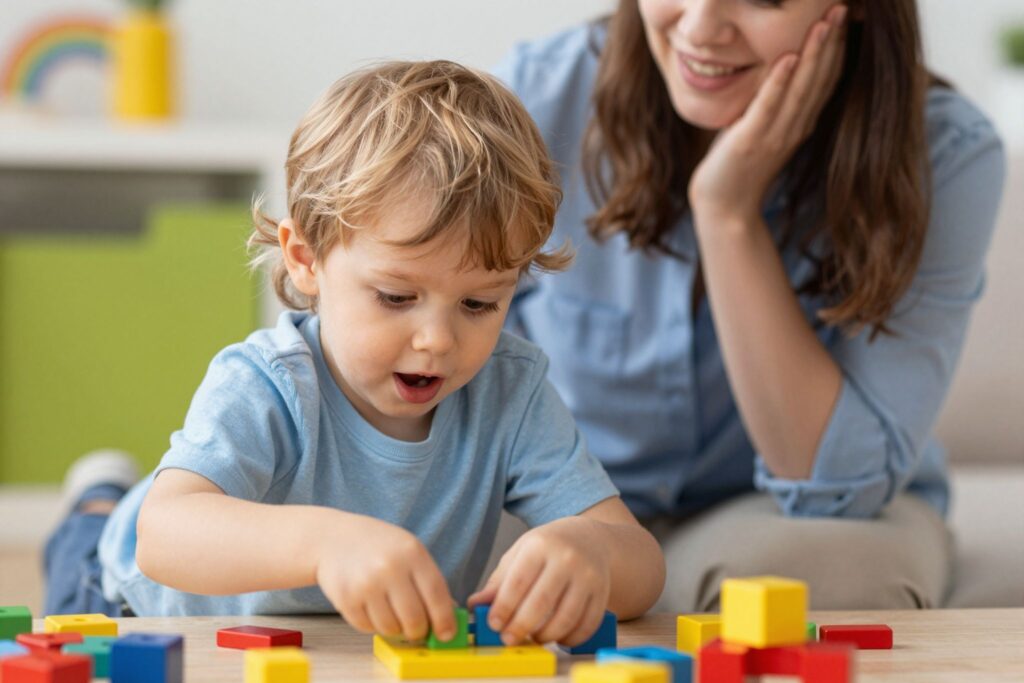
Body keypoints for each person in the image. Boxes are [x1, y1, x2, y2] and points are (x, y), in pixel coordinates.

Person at [43, 60, 666, 647]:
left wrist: (591, 551)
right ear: (306, 260)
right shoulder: (267, 382)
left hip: (329, 649)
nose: (438, 340)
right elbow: (164, 536)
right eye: (396, 296)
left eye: (479, 305)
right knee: (93, 538)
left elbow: (642, 565)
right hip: (132, 601)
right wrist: (324, 543)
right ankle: (98, 495)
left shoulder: (512, 392)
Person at [490, 0, 1006, 610]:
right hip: (570, 491)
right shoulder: (543, 93)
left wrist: (728, 214)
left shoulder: (944, 155)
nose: (701, 29)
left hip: (780, 513)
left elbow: (835, 487)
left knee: (831, 585)